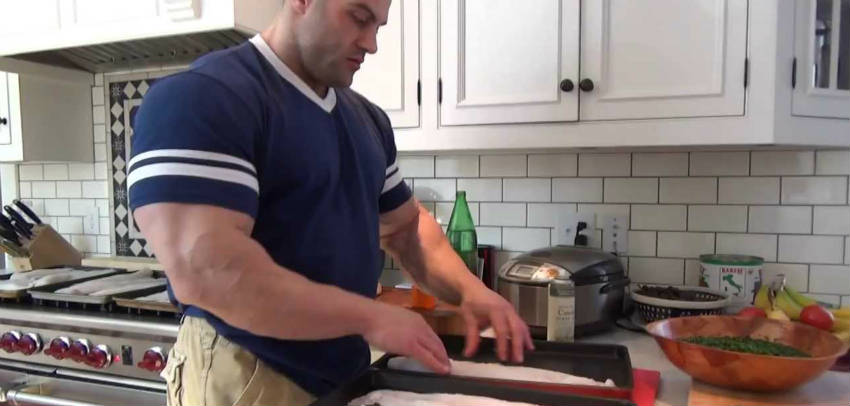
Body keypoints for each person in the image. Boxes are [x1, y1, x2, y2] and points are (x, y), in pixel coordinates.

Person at [129, 0, 533, 404]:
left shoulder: (367, 120)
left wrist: (470, 290)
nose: (372, 43)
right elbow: (208, 271)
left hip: (345, 372)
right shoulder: (204, 97)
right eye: (359, 18)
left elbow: (406, 228)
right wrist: (370, 317)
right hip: (246, 373)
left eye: (378, 25)